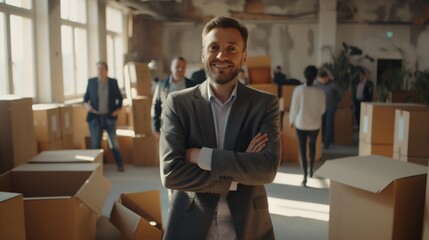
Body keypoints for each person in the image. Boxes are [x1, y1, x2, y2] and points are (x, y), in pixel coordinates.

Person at [159, 16, 281, 240]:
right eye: (214, 47)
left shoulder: (264, 104)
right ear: (203, 53)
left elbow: (266, 168)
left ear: (244, 56)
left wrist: (201, 156)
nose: (221, 55)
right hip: (190, 224)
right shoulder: (178, 103)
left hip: (248, 226)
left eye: (231, 49)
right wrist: (240, 168)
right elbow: (171, 173)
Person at [83, 61, 125, 172]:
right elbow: (85, 99)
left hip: (109, 117)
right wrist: (87, 106)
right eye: (98, 69)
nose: (100, 71)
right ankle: (95, 168)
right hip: (95, 118)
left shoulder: (113, 82)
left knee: (114, 143)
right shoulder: (91, 82)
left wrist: (117, 110)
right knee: (95, 144)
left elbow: (120, 99)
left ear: (106, 70)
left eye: (102, 69)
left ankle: (120, 165)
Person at [289, 65, 325, 186]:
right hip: (315, 124)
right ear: (316, 76)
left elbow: (294, 108)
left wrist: (291, 120)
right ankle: (311, 170)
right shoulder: (320, 92)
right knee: (313, 146)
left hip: (301, 123)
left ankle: (304, 177)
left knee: (302, 149)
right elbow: (322, 110)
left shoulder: (299, 89)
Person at [151, 56, 196, 137]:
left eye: (183, 67)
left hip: (186, 127)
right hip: (166, 126)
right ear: (171, 66)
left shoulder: (192, 85)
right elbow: (156, 106)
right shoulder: (161, 85)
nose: (180, 69)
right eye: (177, 66)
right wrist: (156, 127)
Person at [315, 68, 342, 149]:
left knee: (329, 124)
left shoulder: (333, 84)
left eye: (323, 79)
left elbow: (341, 92)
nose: (322, 81)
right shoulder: (318, 84)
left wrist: (337, 100)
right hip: (321, 107)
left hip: (331, 106)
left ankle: (327, 143)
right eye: (320, 79)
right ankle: (322, 139)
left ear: (327, 77)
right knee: (322, 124)